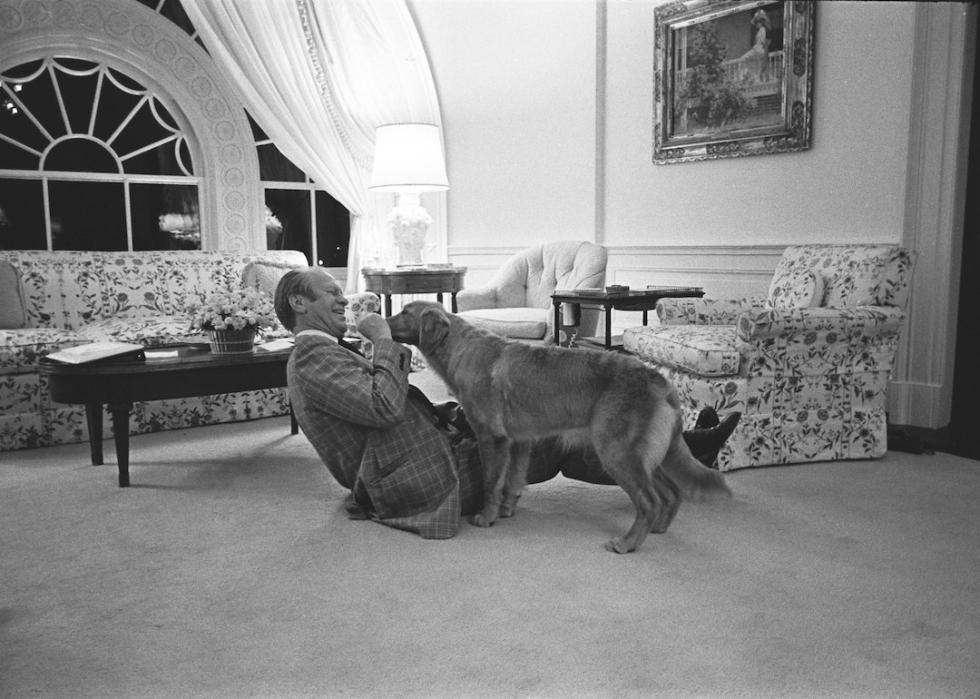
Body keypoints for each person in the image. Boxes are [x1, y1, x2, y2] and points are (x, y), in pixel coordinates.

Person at [276, 267, 739, 540]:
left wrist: (448, 416)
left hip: (426, 454)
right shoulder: (311, 355)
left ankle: (680, 445)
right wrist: (383, 344)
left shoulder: (324, 352)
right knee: (552, 436)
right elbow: (382, 408)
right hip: (426, 479)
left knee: (555, 428)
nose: (343, 297)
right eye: (331, 291)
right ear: (298, 300)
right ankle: (689, 450)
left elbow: (379, 415)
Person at [740, 8, 771, 83]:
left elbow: (763, 41)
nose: (757, 24)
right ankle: (750, 76)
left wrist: (762, 47)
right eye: (756, 22)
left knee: (743, 59)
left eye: (758, 22)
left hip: (758, 50)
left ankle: (746, 76)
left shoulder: (763, 29)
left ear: (761, 22)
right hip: (757, 50)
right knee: (746, 60)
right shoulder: (759, 31)